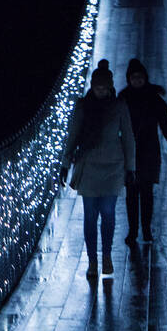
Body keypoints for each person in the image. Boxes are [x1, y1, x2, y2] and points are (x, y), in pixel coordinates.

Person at [64, 60, 136, 279]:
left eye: (104, 88)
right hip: (89, 167)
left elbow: (129, 138)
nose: (101, 92)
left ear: (110, 87)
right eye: (97, 88)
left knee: (108, 213)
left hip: (113, 167)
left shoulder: (119, 106)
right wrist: (65, 163)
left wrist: (130, 168)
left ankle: (106, 256)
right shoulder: (83, 106)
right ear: (92, 87)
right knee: (90, 216)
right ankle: (93, 261)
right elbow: (73, 135)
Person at [118, 58, 167, 245]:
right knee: (131, 194)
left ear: (145, 78)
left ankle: (145, 230)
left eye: (140, 77)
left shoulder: (154, 100)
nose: (137, 80)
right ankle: (133, 231)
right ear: (129, 79)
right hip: (130, 153)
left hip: (149, 153)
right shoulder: (123, 100)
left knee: (145, 193)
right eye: (134, 77)